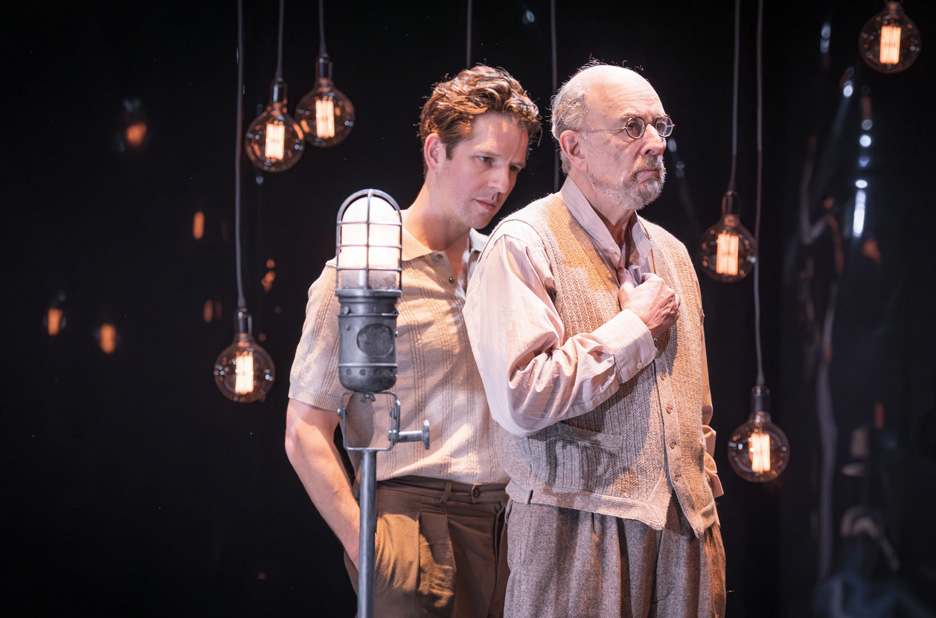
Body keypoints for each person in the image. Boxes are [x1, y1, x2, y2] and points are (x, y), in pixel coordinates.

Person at [464, 63, 725, 617]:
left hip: (686, 531)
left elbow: (695, 406)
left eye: (660, 126)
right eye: (632, 127)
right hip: (574, 532)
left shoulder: (673, 253)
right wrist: (634, 330)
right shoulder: (523, 243)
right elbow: (520, 397)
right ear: (574, 147)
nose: (655, 143)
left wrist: (698, 490)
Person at [285, 65, 541, 617]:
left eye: (514, 167)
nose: (501, 184)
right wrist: (368, 547)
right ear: (435, 151)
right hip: (411, 524)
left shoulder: (507, 266)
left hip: (513, 528)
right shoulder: (362, 270)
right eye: (485, 160)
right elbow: (304, 430)